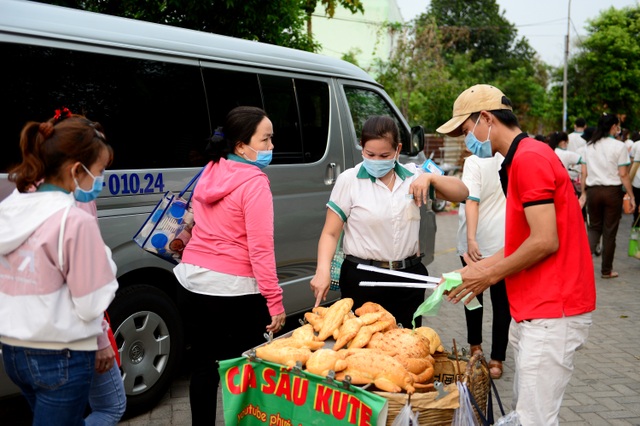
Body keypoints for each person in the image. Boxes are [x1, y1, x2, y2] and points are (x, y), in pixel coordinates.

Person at [437, 84, 596, 426]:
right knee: (525, 413)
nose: (469, 140)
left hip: (554, 307)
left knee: (534, 418)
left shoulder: (530, 158)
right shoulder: (520, 158)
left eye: (467, 130)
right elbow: (521, 244)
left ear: (486, 118)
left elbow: (544, 241)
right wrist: (472, 272)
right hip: (538, 308)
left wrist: (488, 275)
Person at [0, 110, 119, 425]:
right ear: (77, 169)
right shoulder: (73, 221)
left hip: (15, 350)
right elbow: (92, 301)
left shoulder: (10, 208)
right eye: (100, 170)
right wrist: (103, 260)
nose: (101, 179)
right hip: (62, 354)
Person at [172, 106, 285, 425]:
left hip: (192, 285)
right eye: (265, 140)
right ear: (240, 146)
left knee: (204, 369)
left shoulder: (211, 169)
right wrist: (274, 301)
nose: (271, 147)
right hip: (232, 293)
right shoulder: (255, 182)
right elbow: (261, 248)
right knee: (245, 374)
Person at [310, 115, 468, 327]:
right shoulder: (349, 180)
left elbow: (461, 193)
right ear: (362, 149)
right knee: (364, 349)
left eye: (384, 155)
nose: (376, 161)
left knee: (407, 346)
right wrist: (322, 271)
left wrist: (431, 178)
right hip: (363, 277)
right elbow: (330, 233)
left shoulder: (415, 176)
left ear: (398, 149)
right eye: (370, 154)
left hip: (408, 275)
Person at [456, 152, 511, 380]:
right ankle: (497, 359)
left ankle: (475, 348)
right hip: (504, 242)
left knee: (473, 299)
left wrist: (471, 239)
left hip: (475, 242)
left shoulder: (473, 161)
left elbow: (471, 199)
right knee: (502, 303)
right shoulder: (510, 158)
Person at [77, 198, 127, 426]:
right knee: (111, 406)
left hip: (24, 338)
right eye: (99, 168)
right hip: (72, 331)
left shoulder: (21, 197)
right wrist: (100, 340)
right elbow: (86, 276)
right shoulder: (75, 199)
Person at [580, 113, 636, 278]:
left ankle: (580, 265)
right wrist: (631, 196)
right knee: (609, 231)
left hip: (593, 191)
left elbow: (584, 172)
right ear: (613, 126)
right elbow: (624, 175)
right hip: (612, 192)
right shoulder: (619, 147)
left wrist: (583, 192)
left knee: (594, 228)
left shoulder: (589, 146)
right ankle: (606, 270)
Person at [547, 131, 585, 196]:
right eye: (567, 143)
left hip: (550, 185)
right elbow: (584, 161)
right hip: (563, 186)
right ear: (563, 142)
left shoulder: (549, 152)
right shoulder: (566, 154)